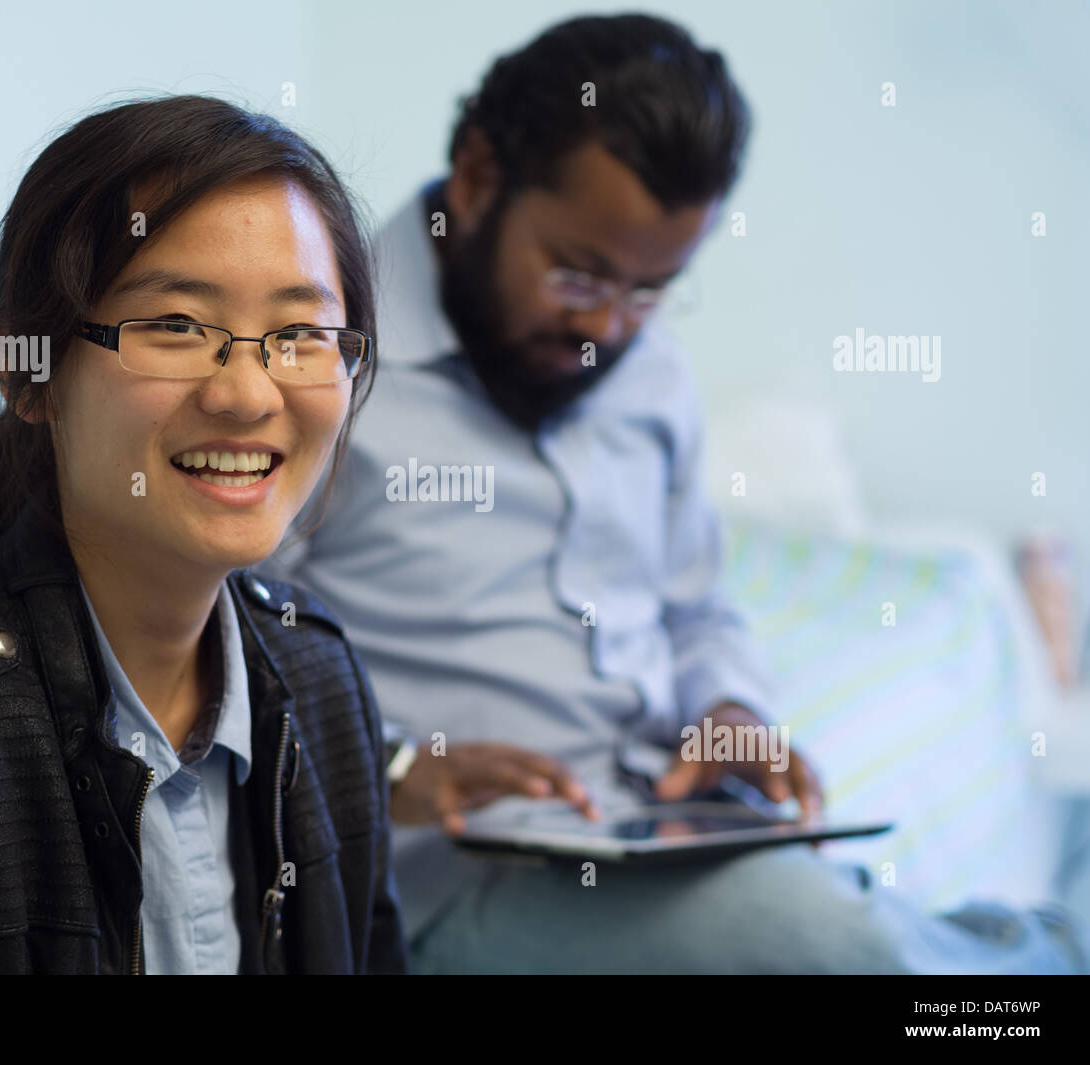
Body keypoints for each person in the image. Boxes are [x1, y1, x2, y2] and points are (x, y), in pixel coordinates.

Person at [257, 14, 1087, 973]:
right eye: (578, 275)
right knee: (853, 958)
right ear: (478, 177)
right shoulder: (319, 358)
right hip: (448, 876)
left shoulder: (647, 373)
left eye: (651, 291)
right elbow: (239, 636)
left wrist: (730, 707)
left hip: (659, 825)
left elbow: (695, 603)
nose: (605, 330)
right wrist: (395, 764)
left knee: (831, 928)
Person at [0, 94, 406, 975]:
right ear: (26, 370)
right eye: (177, 327)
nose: (248, 393)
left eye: (300, 333)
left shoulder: (319, 674)